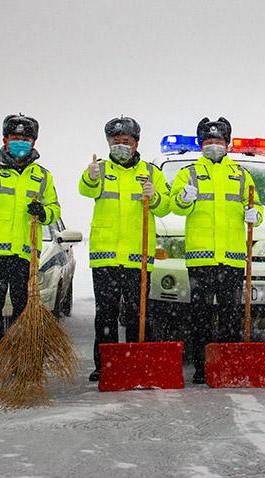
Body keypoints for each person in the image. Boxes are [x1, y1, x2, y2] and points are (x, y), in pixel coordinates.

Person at [169, 117, 264, 384]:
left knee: (231, 315)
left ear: (227, 144)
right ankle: (202, 367)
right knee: (199, 316)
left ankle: (228, 365)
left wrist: (254, 214)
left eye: (218, 141)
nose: (214, 146)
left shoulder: (241, 174)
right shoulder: (188, 173)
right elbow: (175, 206)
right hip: (201, 258)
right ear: (201, 145)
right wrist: (183, 199)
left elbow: (257, 209)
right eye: (208, 141)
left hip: (233, 259)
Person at [0, 114, 61, 383]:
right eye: (16, 139)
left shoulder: (42, 176)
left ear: (33, 142)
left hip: (24, 254)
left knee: (23, 313)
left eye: (26, 139)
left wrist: (43, 212)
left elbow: (54, 210)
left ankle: (24, 363)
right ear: (5, 140)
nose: (21, 143)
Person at [79, 116, 171, 381]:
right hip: (105, 257)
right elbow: (85, 190)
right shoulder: (101, 169)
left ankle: (135, 361)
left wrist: (154, 196)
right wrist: (90, 176)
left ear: (136, 143)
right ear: (109, 143)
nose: (121, 145)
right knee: (105, 314)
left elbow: (165, 207)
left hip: (137, 258)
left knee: (137, 314)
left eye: (126, 141)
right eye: (116, 141)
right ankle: (105, 364)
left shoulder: (151, 171)